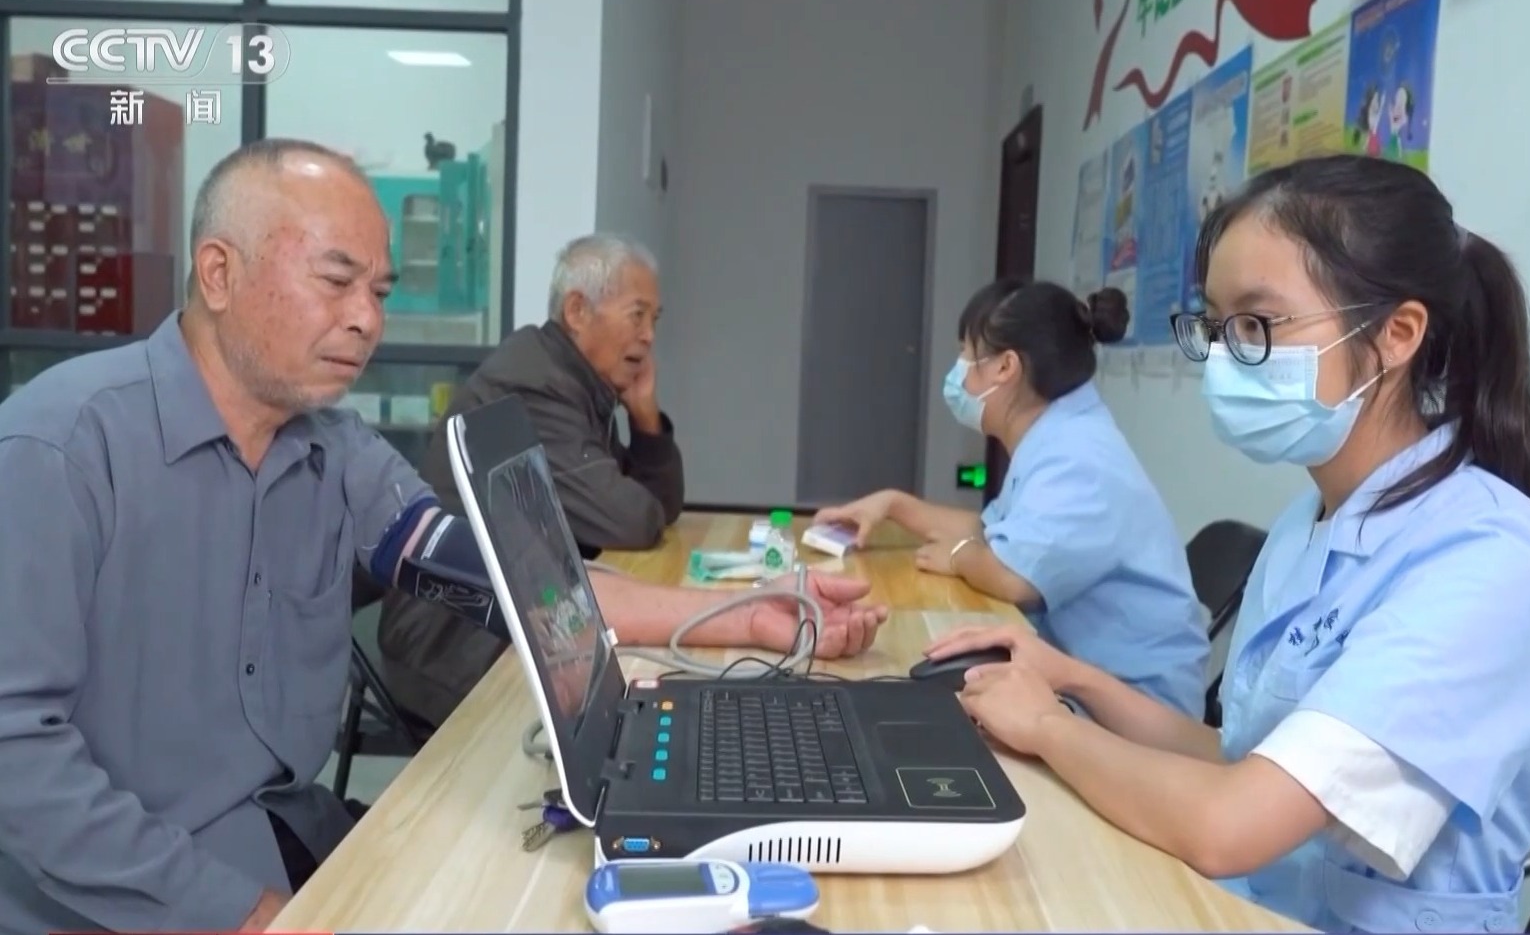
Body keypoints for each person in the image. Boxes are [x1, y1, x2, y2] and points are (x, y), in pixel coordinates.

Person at [0, 139, 884, 935]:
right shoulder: (61, 449)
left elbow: (520, 583)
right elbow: (17, 756)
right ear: (219, 273)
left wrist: (753, 611)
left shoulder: (335, 449)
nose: (367, 319)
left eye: (379, 291)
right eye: (336, 281)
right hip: (115, 899)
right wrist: (245, 916)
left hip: (281, 841)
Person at [924, 154, 1530, 933]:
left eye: (1256, 325)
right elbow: (1239, 756)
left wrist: (1049, 725)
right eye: (1215, 326)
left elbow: (1232, 821)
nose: (1224, 357)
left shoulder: (1493, 557)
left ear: (1396, 334)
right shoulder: (1308, 521)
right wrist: (1069, 676)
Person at [815, 280, 1209, 717]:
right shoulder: (1056, 434)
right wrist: (892, 505)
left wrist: (961, 557)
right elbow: (993, 532)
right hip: (1079, 675)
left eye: (967, 356)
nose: (959, 374)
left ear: (1005, 367)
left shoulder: (1078, 458)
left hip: (1135, 710)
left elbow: (1013, 576)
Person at [378, 232, 684, 729]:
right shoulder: (535, 385)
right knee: (632, 702)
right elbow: (631, 520)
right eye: (637, 315)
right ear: (578, 310)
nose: (649, 335)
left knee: (644, 684)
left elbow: (657, 508)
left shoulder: (576, 381)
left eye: (655, 319)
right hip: (451, 639)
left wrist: (645, 416)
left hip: (508, 615)